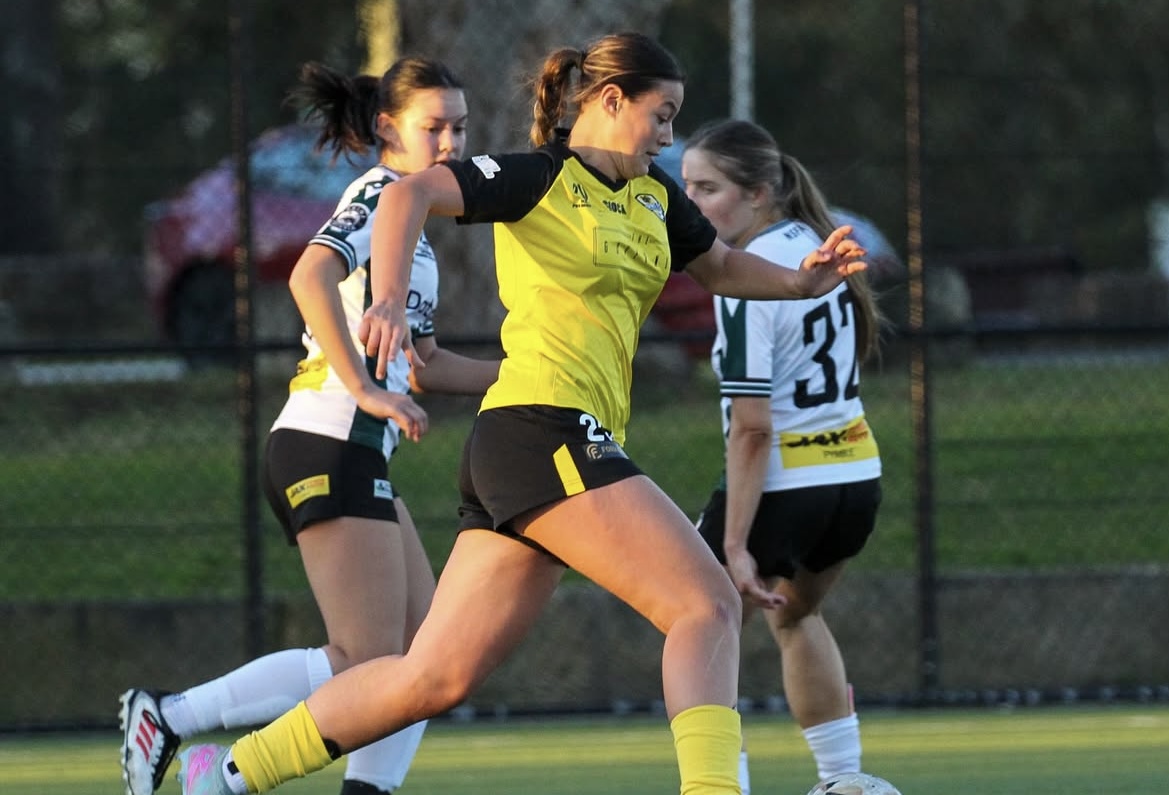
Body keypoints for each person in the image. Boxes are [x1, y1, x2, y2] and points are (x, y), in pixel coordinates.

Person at [171, 31, 866, 795]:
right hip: (543, 430)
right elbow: (407, 194)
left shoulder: (654, 196)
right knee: (704, 603)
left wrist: (800, 282)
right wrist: (388, 298)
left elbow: (722, 266)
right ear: (609, 101)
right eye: (661, 115)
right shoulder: (538, 177)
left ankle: (227, 773)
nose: (667, 137)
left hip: (534, 449)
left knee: (430, 677)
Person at [119, 57, 499, 795]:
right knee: (366, 657)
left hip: (353, 447)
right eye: (434, 127)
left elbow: (422, 364)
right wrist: (364, 387)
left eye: (460, 127)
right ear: (388, 128)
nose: (451, 143)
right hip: (328, 438)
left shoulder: (414, 229)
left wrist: (529, 373)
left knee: (424, 651)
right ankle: (169, 718)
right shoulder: (381, 195)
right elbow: (307, 275)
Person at [682, 119, 884, 793]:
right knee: (797, 616)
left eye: (706, 188)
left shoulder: (753, 277)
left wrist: (735, 542)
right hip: (854, 476)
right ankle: (844, 781)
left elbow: (752, 428)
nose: (690, 202)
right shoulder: (809, 246)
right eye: (686, 186)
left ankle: (721, 785)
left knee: (698, 631)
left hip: (784, 484)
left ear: (758, 193)